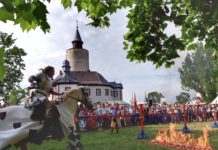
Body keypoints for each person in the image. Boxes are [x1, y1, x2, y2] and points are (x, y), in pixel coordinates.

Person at [27, 66, 64, 143]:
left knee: (54, 109)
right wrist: (32, 79)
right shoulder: (42, 75)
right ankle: (49, 125)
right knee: (52, 106)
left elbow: (50, 91)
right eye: (53, 71)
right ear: (48, 71)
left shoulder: (50, 80)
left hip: (45, 97)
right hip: (39, 96)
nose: (54, 73)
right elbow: (30, 78)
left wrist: (60, 94)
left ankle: (54, 131)